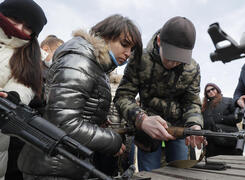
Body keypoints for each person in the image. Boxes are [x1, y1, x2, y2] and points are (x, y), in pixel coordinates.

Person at [17, 14, 143, 180]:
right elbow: (63, 122)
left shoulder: (96, 65)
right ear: (105, 36)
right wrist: (112, 141)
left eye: (132, 49)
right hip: (53, 166)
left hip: (64, 162)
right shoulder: (80, 60)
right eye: (124, 44)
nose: (128, 53)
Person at [114, 16, 206, 171]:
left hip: (179, 130)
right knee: (151, 173)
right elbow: (123, 97)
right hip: (147, 131)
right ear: (159, 41)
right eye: (170, 57)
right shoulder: (139, 59)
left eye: (179, 59)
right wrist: (141, 119)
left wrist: (195, 125)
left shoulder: (192, 68)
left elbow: (191, 101)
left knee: (182, 172)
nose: (174, 63)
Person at [0, 0, 47, 179]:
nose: (19, 28)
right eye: (14, 18)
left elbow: (23, 88)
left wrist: (11, 99)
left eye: (27, 27)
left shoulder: (27, 59)